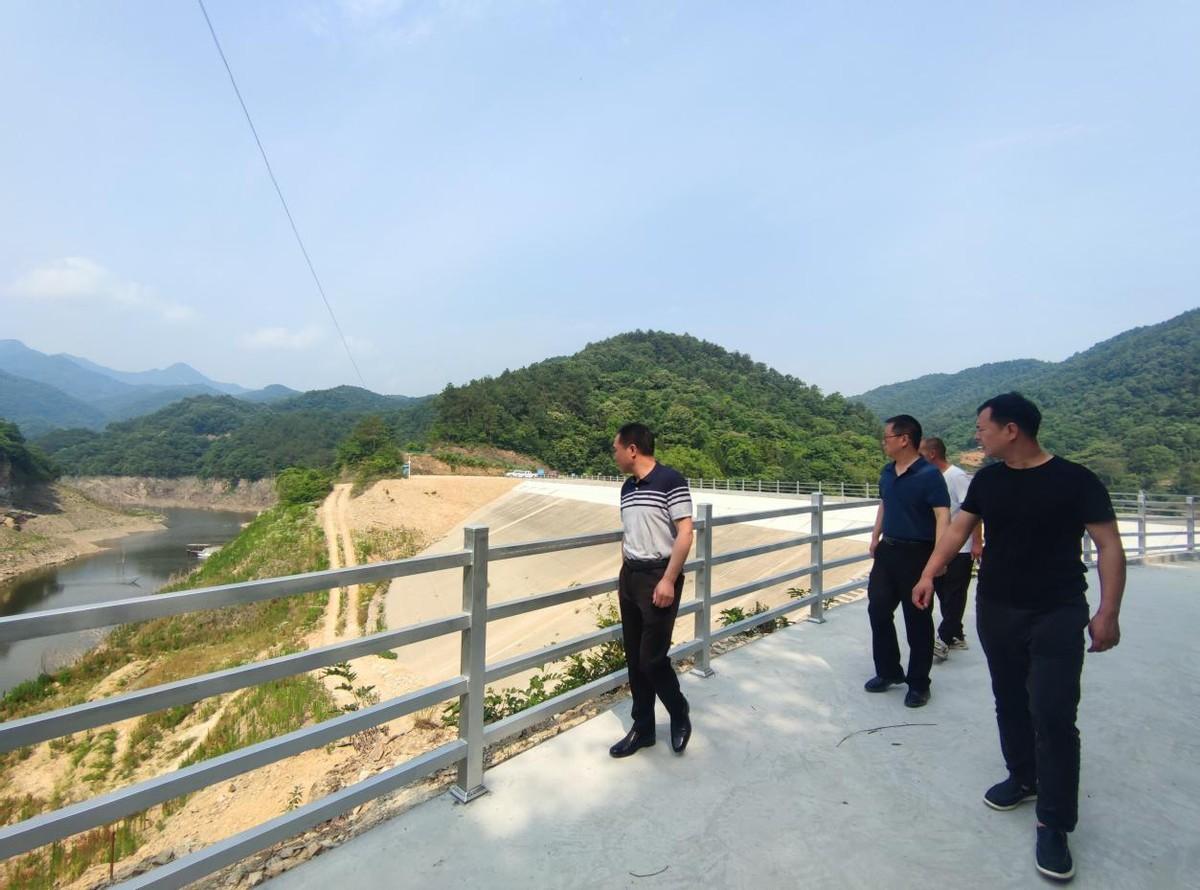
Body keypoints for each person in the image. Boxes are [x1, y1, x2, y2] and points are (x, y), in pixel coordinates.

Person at [913, 393, 1126, 883]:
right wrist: (929, 573)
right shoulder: (988, 480)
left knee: (1051, 712)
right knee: (1009, 698)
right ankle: (1023, 776)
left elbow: (1109, 545)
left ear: (1011, 430)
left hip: (1057, 609)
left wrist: (1108, 611)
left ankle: (1054, 822)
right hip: (997, 607)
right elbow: (958, 532)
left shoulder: (1076, 480)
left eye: (983, 428)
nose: (977, 436)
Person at [608, 423, 694, 758]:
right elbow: (629, 533)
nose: (614, 455)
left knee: (652, 659)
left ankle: (679, 711)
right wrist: (625, 571)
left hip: (660, 576)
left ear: (632, 449)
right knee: (634, 658)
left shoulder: (671, 481)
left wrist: (669, 580)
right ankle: (643, 728)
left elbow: (685, 533)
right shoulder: (627, 488)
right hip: (630, 577)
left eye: (616, 448)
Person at [864, 414, 950, 708]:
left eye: (887, 437)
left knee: (917, 620)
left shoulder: (929, 475)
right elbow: (884, 505)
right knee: (877, 609)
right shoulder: (887, 472)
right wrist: (875, 536)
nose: (883, 443)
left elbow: (942, 516)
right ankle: (888, 671)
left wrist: (939, 559)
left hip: (918, 554)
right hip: (888, 552)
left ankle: (918, 683)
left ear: (904, 439)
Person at [918, 436, 984, 660]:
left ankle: (944, 639)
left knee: (954, 594)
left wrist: (977, 541)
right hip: (939, 547)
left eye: (921, 452)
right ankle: (956, 634)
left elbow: (973, 511)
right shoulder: (930, 477)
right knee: (944, 594)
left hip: (960, 548)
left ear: (933, 454)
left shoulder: (956, 476)